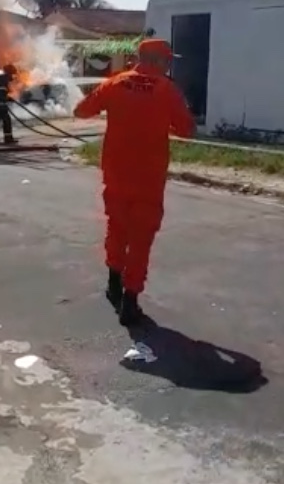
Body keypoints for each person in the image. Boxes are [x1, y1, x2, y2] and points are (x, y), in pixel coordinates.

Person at [73, 38, 196, 326]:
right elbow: (187, 130)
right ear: (158, 61)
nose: (169, 65)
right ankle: (130, 300)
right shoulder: (167, 90)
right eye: (167, 61)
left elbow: (81, 110)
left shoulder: (115, 83)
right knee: (140, 239)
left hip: (115, 174)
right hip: (148, 179)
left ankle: (113, 284)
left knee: (116, 228)